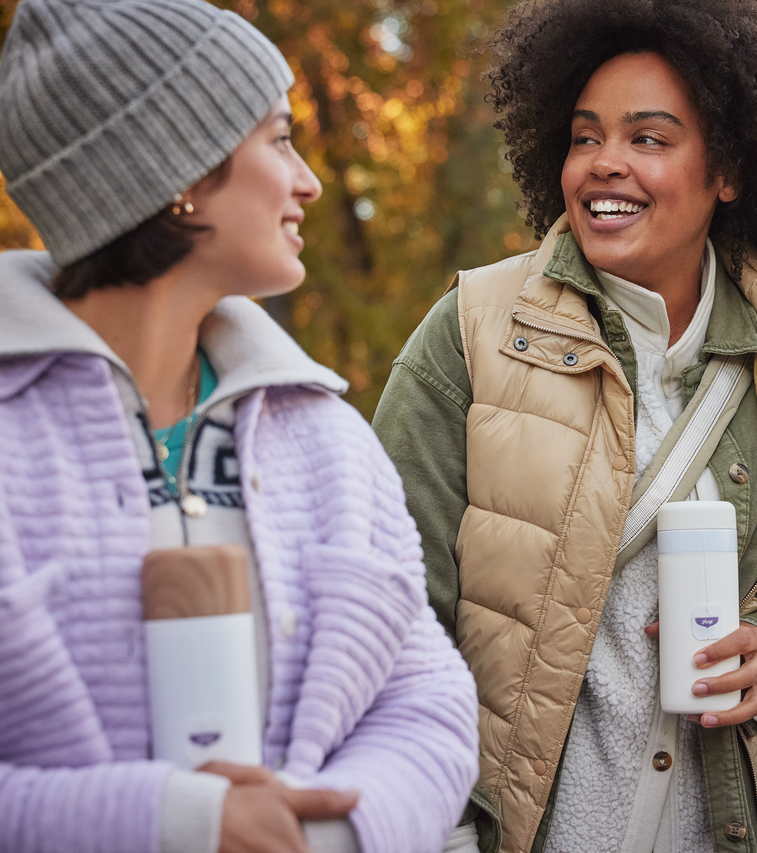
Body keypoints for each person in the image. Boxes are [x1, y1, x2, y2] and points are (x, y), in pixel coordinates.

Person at [371, 1, 757, 851]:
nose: (604, 164)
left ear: (729, 168)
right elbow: (389, 604)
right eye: (584, 137)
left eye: (648, 138)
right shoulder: (472, 329)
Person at [0, 1, 478, 852]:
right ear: (179, 172)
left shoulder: (325, 434)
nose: (310, 181)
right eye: (279, 138)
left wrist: (324, 835)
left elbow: (427, 702)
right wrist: (182, 825)